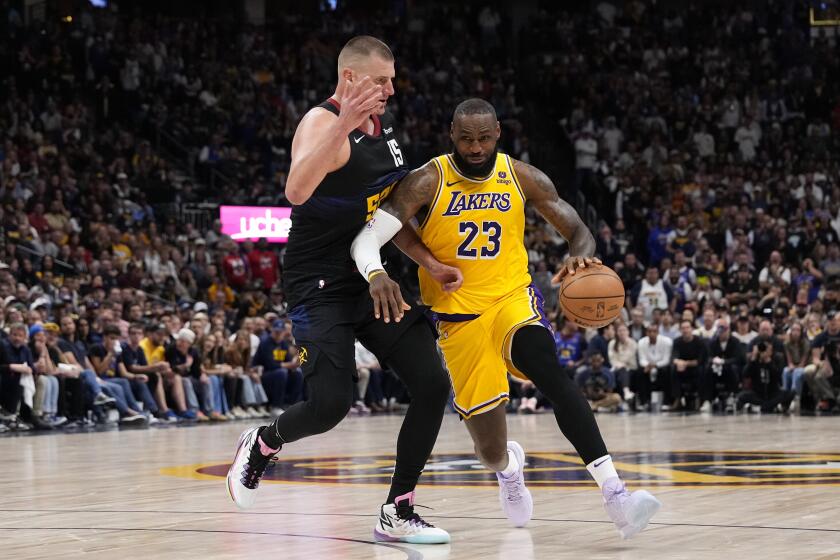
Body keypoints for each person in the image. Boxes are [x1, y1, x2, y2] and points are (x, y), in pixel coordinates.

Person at [351, 98, 660, 538]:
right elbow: (373, 234)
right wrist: (381, 272)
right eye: (466, 138)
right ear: (452, 136)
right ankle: (510, 469)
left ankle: (617, 496)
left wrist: (580, 259)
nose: (475, 147)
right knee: (490, 449)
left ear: (498, 133)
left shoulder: (521, 175)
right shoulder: (428, 179)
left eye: (483, 138)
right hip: (458, 319)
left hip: (512, 300)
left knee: (551, 373)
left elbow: (579, 231)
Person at [227, 36, 454, 545]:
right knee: (331, 405)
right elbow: (297, 190)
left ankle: (398, 509)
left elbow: (388, 212)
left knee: (433, 384)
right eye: (382, 80)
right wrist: (345, 126)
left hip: (369, 277)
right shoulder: (320, 122)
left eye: (393, 80)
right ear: (350, 79)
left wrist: (430, 264)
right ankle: (263, 443)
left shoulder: (385, 127)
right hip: (317, 284)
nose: (392, 90)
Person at [251, 319, 303, 415]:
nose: (278, 334)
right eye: (276, 331)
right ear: (272, 330)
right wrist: (288, 365)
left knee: (297, 373)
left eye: (280, 332)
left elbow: (288, 361)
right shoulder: (265, 343)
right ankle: (276, 406)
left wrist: (294, 364)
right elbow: (270, 365)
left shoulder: (283, 344)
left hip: (279, 373)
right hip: (263, 375)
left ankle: (291, 404)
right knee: (281, 372)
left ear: (284, 332)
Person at [635, 323, 673, 410]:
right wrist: (648, 366)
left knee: (666, 371)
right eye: (649, 331)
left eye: (654, 331)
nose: (652, 333)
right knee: (640, 372)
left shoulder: (666, 342)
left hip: (661, 366)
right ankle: (644, 402)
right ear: (646, 332)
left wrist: (655, 365)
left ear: (658, 332)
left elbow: (666, 360)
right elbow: (642, 359)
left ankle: (666, 402)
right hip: (648, 366)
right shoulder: (641, 342)